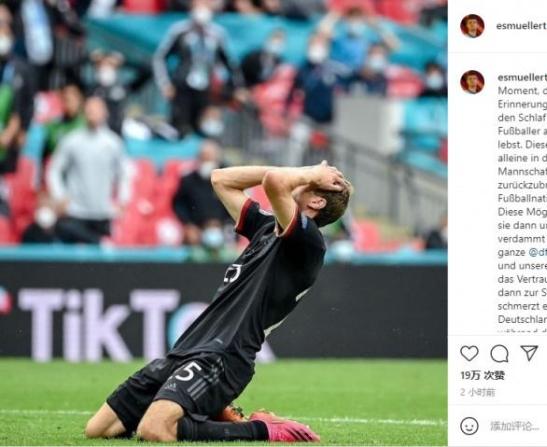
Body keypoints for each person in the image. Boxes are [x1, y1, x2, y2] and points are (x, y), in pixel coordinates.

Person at [84, 161, 352, 442]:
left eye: (306, 184)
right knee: (99, 430)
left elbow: (275, 181)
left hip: (225, 355)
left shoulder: (309, 242)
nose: (297, 179)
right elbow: (221, 180)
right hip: (187, 349)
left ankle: (263, 429)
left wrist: (311, 173)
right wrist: (308, 174)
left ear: (316, 202)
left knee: (154, 429)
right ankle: (209, 413)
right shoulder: (265, 227)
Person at [152, 0, 244, 136]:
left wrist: (238, 87)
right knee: (179, 126)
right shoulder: (180, 30)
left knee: (203, 128)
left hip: (207, 89)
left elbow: (230, 63)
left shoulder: (218, 34)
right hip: (182, 87)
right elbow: (160, 57)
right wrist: (164, 84)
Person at [47, 96, 130, 244]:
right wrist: (60, 196)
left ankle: (99, 242)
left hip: (102, 212)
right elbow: (54, 170)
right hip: (76, 211)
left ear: (105, 113)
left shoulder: (113, 143)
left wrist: (123, 199)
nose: (93, 114)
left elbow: (124, 174)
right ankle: (98, 242)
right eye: (89, 110)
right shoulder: (72, 140)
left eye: (96, 110)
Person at [285, 34, 348, 166]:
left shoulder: (334, 68)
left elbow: (349, 82)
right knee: (296, 140)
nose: (317, 48)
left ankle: (337, 175)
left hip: (329, 119)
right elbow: (292, 91)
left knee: (340, 149)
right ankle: (290, 171)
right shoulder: (303, 68)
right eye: (314, 45)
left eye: (320, 45)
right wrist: (287, 111)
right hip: (308, 116)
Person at [172, 140, 228, 245]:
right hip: (196, 229)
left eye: (209, 157)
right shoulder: (188, 180)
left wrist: (222, 224)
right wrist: (188, 224)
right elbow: (179, 204)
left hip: (223, 229)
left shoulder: (227, 181)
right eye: (203, 156)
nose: (206, 160)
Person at [0, 10, 35, 175]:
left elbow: (28, 103)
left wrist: (22, 129)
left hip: (9, 142)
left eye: (6, 26)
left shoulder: (21, 68)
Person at [88, 50, 151, 134]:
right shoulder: (91, 90)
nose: (105, 68)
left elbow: (148, 71)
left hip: (116, 135)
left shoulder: (122, 89)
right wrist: (90, 59)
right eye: (101, 65)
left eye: (110, 64)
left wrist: (124, 62)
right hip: (94, 135)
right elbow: (71, 71)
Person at [318, 7, 398, 72]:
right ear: (346, 21)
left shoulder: (367, 42)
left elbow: (393, 46)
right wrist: (333, 17)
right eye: (352, 19)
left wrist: (376, 26)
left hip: (358, 77)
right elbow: (321, 32)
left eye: (358, 20)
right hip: (338, 75)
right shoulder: (338, 38)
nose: (355, 23)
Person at [42, 82, 86, 163]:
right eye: (66, 99)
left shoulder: (87, 125)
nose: (70, 104)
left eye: (73, 99)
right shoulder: (53, 126)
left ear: (80, 100)